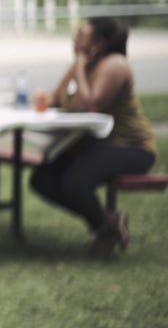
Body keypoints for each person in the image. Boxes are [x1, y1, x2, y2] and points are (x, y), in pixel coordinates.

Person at [30, 17, 157, 257]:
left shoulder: (115, 65)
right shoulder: (81, 67)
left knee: (74, 183)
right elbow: (55, 99)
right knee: (42, 178)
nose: (75, 39)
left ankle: (104, 229)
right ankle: (110, 221)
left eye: (82, 35)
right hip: (93, 147)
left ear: (99, 43)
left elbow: (92, 105)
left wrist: (78, 65)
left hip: (130, 148)